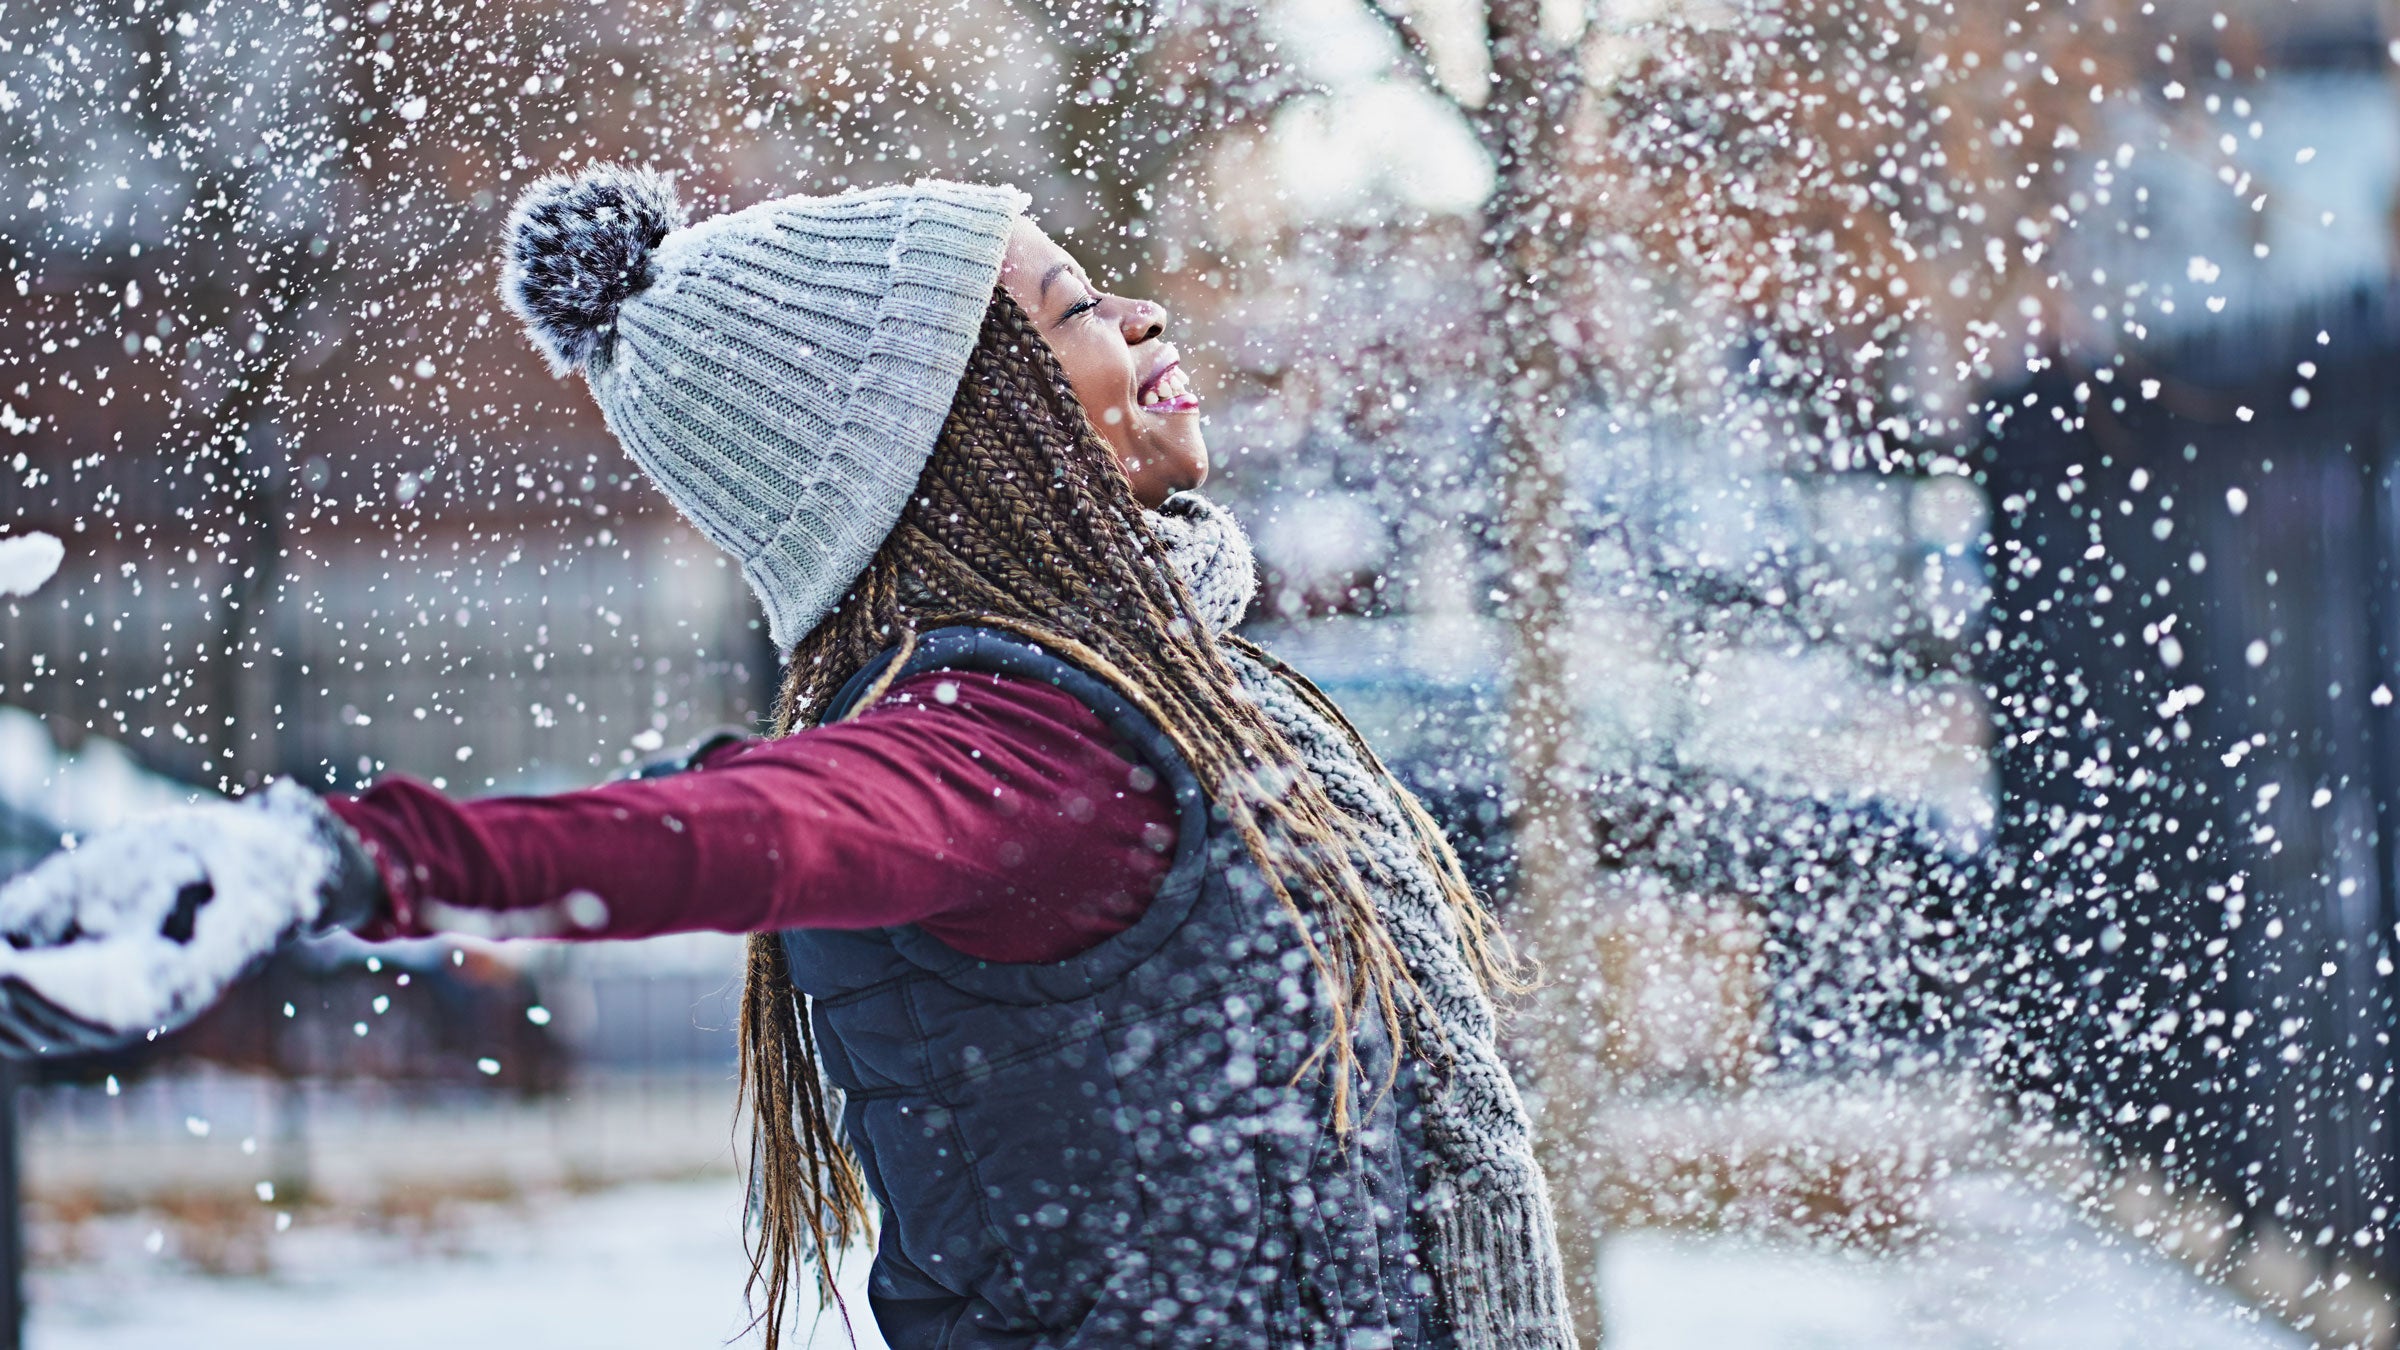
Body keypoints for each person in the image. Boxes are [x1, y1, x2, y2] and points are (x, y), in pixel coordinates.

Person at [0, 165, 1578, 1350]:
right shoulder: (1022, 741)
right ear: (969, 420)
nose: (1144, 317)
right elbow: (726, 826)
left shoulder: (1132, 694)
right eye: (1076, 308)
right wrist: (349, 856)